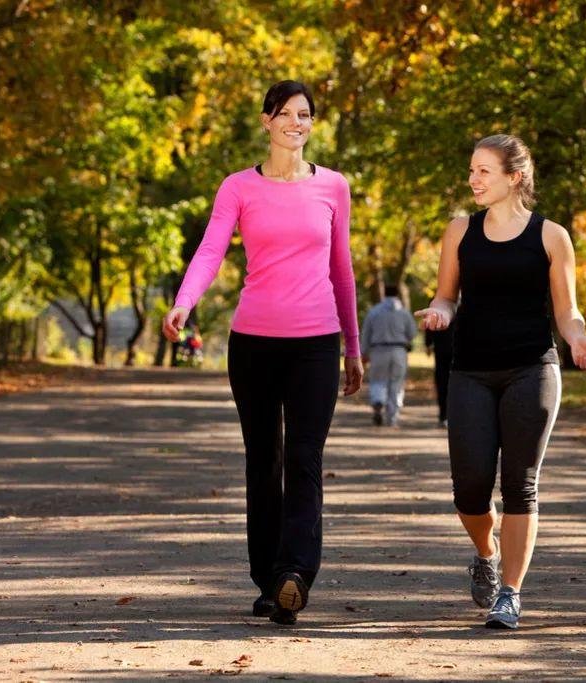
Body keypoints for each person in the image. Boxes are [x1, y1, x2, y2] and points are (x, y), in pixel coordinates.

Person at [162, 80, 363, 626]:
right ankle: (268, 579)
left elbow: (340, 269)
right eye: (287, 114)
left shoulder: (334, 187)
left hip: (316, 344)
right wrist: (185, 303)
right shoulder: (237, 188)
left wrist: (353, 344)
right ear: (266, 120)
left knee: (304, 459)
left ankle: (296, 573)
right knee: (263, 460)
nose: (297, 123)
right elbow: (210, 251)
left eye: (306, 115)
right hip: (252, 344)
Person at [416, 134, 586, 630]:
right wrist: (438, 311)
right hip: (470, 370)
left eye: (483, 171)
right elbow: (447, 296)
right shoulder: (459, 232)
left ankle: (511, 594)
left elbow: (567, 309)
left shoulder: (551, 236)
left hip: (532, 369)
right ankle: (486, 550)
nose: (472, 179)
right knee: (469, 489)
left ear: (513, 177)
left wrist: (578, 338)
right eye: (472, 170)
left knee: (520, 485)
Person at [360, 284, 417, 427]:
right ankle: (392, 417)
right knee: (396, 383)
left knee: (378, 380)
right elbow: (412, 333)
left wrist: (364, 353)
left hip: (378, 350)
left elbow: (366, 333)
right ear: (397, 294)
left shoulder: (374, 312)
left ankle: (378, 401)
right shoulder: (404, 313)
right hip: (399, 350)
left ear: (384, 293)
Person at [424, 323, 453, 427]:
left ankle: (444, 414)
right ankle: (445, 414)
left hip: (442, 348)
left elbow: (429, 326)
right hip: (452, 349)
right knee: (446, 382)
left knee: (442, 382)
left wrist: (428, 343)